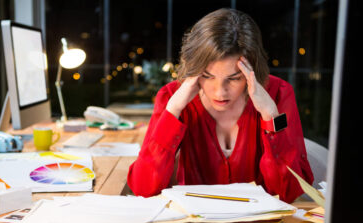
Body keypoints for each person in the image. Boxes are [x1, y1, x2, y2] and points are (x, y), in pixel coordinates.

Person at [127, 8, 313, 203]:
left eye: (234, 78)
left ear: (253, 70)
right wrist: (172, 112)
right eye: (207, 76)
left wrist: (272, 117)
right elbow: (143, 188)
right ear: (194, 69)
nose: (220, 92)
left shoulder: (278, 93)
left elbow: (289, 191)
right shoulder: (171, 97)